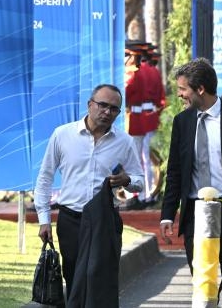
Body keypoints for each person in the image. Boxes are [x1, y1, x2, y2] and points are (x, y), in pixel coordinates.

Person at [35, 84, 143, 295]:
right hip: (71, 219)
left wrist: (126, 179)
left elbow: (139, 181)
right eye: (102, 105)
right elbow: (45, 178)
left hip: (105, 220)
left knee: (101, 280)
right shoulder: (62, 135)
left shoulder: (124, 142)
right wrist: (44, 219)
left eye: (114, 109)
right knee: (74, 278)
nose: (107, 112)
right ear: (89, 104)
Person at [160, 58, 222, 270]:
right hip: (194, 210)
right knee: (200, 276)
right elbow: (174, 172)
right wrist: (167, 215)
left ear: (200, 89)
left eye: (183, 89)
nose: (180, 94)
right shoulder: (182, 122)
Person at [124, 46, 164, 207]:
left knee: (137, 159)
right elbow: (161, 97)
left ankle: (138, 195)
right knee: (145, 158)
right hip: (149, 117)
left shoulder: (134, 72)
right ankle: (147, 194)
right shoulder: (154, 71)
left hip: (136, 118)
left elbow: (126, 92)